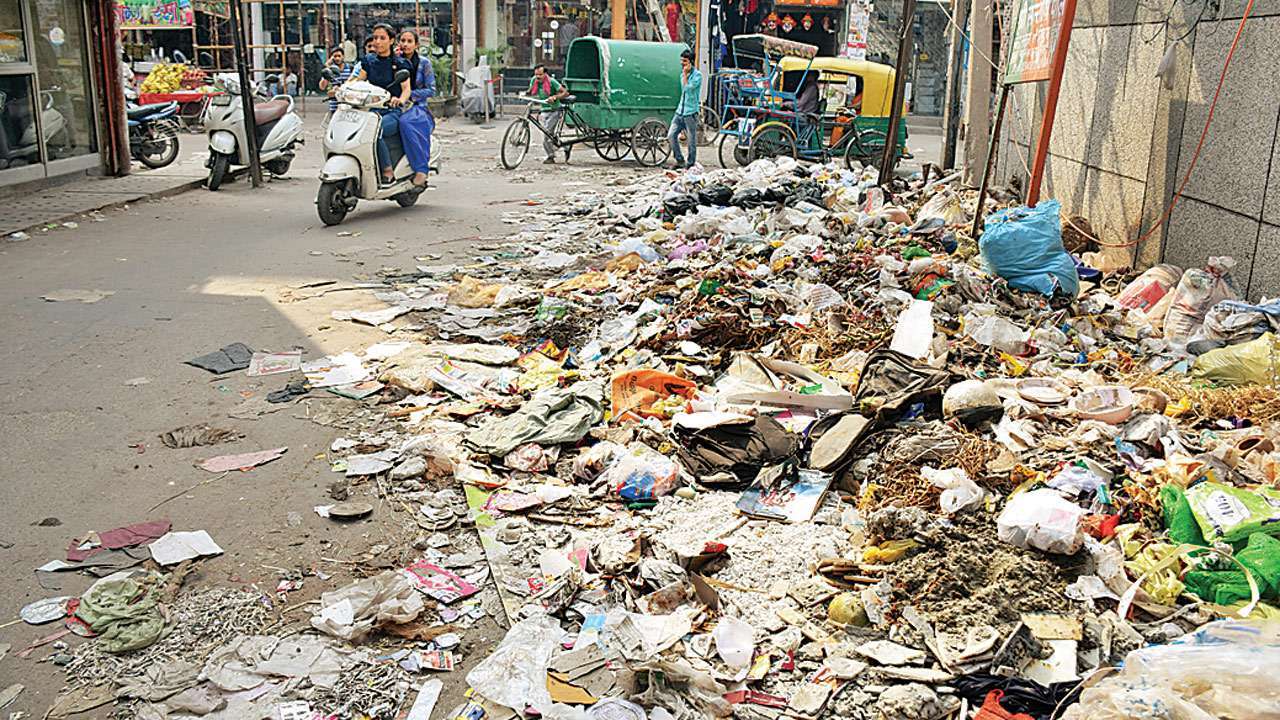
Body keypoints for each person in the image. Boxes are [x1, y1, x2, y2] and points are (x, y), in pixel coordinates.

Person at [353, 23, 411, 184]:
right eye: (375, 38)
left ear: (392, 41)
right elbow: (358, 81)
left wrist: (399, 100)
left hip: (392, 111)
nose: (377, 42)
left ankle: (387, 170)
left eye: (382, 38)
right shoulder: (368, 61)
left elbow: (406, 89)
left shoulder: (400, 64)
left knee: (374, 132)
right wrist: (344, 89)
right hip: (370, 110)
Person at [396, 29, 436, 188]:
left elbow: (431, 90)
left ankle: (421, 168)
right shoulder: (394, 61)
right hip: (392, 103)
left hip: (417, 106)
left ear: (416, 44)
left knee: (406, 123)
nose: (405, 44)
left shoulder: (424, 63)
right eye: (402, 41)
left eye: (409, 41)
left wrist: (409, 94)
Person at [666, 49, 701, 169]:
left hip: (690, 112)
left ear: (691, 62)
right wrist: (684, 74)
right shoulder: (682, 75)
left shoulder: (698, 76)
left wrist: (686, 75)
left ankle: (690, 163)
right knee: (671, 135)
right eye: (681, 61)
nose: (682, 64)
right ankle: (679, 160)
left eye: (685, 61)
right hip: (680, 111)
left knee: (691, 140)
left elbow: (687, 89)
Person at [527, 64, 568, 164]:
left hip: (554, 110)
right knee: (550, 135)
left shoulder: (551, 82)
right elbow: (530, 91)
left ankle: (551, 156)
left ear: (545, 74)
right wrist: (525, 94)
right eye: (536, 74)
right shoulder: (534, 80)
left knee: (547, 135)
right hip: (544, 110)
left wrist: (555, 97)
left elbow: (565, 93)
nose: (538, 77)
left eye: (540, 74)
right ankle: (565, 146)